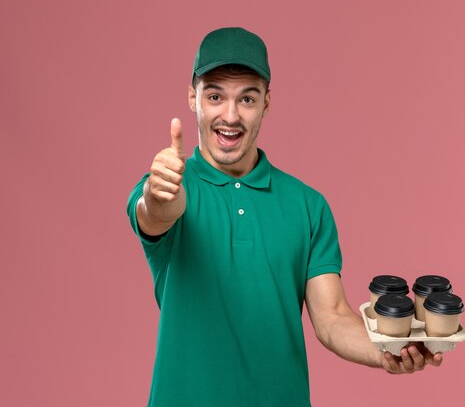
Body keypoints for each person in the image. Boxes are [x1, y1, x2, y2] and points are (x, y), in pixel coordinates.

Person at [127, 27, 442, 407]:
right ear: (193, 98)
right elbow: (155, 214)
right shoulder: (167, 186)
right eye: (215, 96)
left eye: (247, 98)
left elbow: (333, 317)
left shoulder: (307, 206)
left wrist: (385, 351)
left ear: (267, 102)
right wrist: (158, 195)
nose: (230, 116)